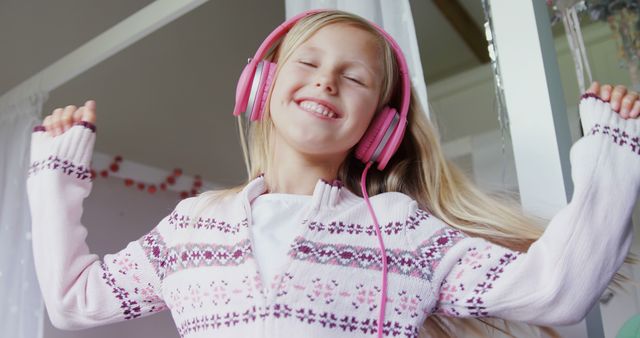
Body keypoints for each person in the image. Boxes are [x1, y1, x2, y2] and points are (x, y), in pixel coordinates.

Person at [27, 9, 640, 338]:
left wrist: (612, 152)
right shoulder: (191, 226)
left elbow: (556, 289)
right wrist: (56, 176)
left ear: (379, 125)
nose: (326, 79)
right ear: (262, 86)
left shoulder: (402, 233)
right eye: (310, 63)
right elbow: (73, 302)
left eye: (354, 77)